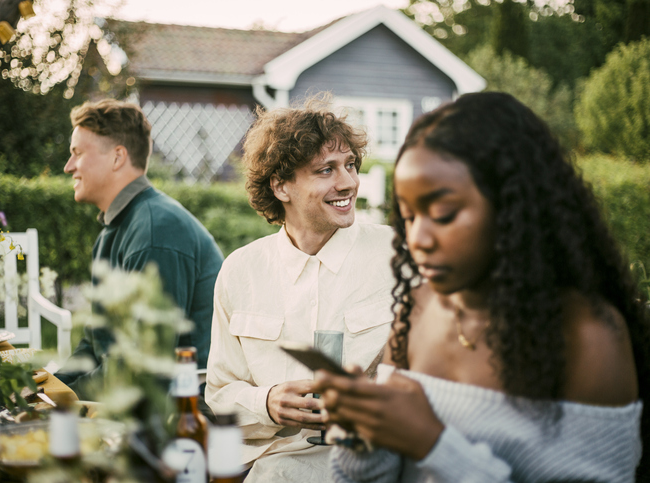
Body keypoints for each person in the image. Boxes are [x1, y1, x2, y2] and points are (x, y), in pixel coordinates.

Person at [315, 92, 650, 482]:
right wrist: (362, 432)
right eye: (407, 216)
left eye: (443, 214)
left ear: (513, 207)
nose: (417, 238)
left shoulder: (587, 336)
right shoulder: (417, 307)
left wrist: (433, 443)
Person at [205, 96, 396, 482]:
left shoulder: (399, 256)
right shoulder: (240, 272)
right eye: (325, 170)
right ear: (281, 187)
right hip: (275, 469)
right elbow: (220, 392)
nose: (348, 182)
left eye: (350, 165)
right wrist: (268, 402)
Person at [55, 99, 224, 399]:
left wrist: (63, 400)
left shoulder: (156, 230)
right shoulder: (115, 230)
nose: (69, 167)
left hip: (185, 408)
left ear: (117, 157)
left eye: (77, 153)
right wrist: (47, 389)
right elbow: (94, 343)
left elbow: (144, 369)